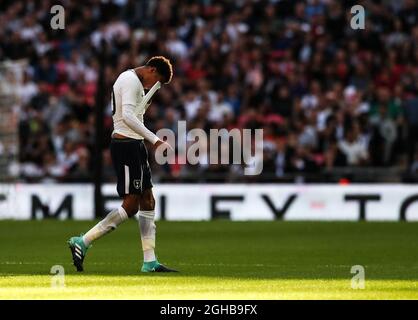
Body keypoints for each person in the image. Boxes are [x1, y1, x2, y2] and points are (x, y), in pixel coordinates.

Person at [68, 56, 177, 272]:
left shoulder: (136, 83)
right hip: (125, 145)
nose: (154, 85)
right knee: (130, 204)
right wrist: (155, 139)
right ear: (151, 69)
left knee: (148, 200)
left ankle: (149, 261)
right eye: (156, 80)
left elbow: (135, 116)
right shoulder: (129, 80)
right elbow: (127, 117)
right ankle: (83, 241)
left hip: (135, 145)